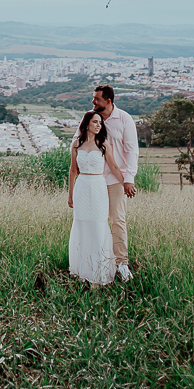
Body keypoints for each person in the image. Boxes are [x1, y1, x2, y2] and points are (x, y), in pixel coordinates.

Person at [68, 110, 125, 285]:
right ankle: (83, 271)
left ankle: (99, 273)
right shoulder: (76, 144)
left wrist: (126, 184)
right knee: (82, 225)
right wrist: (70, 195)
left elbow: (114, 167)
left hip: (98, 187)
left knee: (99, 225)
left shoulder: (104, 144)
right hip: (82, 187)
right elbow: (73, 170)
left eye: (100, 123)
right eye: (95, 122)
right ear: (86, 124)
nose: (98, 125)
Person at [89, 84, 139, 282]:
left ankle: (121, 263)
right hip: (94, 179)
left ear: (108, 101)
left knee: (118, 220)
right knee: (95, 221)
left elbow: (132, 151)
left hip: (117, 179)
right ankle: (97, 260)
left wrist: (129, 180)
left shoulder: (125, 119)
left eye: (97, 99)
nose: (93, 102)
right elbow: (77, 141)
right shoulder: (90, 117)